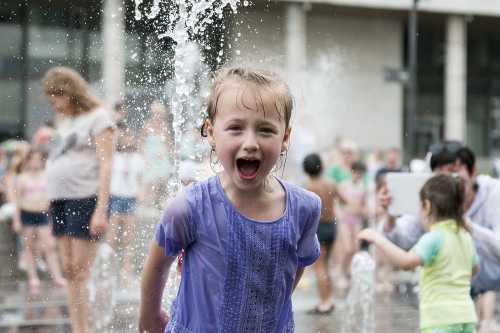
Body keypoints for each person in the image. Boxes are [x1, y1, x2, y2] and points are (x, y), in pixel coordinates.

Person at [139, 67, 321, 333]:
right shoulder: (189, 208)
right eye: (235, 128)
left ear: (285, 137)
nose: (250, 143)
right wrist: (150, 315)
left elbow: (298, 264)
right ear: (211, 133)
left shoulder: (304, 208)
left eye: (266, 130)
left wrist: (268, 308)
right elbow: (156, 267)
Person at [378, 141, 500, 331]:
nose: (448, 181)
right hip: (463, 311)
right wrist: (389, 214)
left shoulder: (494, 193)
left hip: (445, 314)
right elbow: (402, 238)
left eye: (454, 171)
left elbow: (406, 260)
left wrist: (467, 224)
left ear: (473, 169)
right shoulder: (434, 201)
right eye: (440, 174)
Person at [43, 66, 114, 333]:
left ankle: (84, 329)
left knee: (81, 271)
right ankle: (77, 328)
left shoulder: (98, 117)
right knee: (70, 270)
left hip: (85, 198)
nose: (52, 101)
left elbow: (107, 164)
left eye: (56, 95)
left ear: (70, 92)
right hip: (59, 200)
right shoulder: (64, 121)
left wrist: (101, 209)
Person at [360, 174, 479, 333]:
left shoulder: (433, 238)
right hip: (467, 317)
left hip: (440, 319)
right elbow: (474, 269)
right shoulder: (465, 236)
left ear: (427, 206)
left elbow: (406, 262)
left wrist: (378, 238)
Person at [13, 149, 66, 295]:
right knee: (29, 247)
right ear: (28, 161)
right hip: (27, 213)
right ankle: (33, 277)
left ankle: (57, 276)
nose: (35, 162)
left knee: (49, 246)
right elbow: (17, 201)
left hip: (43, 214)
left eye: (38, 159)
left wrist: (52, 217)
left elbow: (52, 198)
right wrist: (17, 220)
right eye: (33, 159)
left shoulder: (46, 176)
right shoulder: (21, 178)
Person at [303, 153, 341, 315]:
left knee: (319, 267)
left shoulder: (307, 187)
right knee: (326, 266)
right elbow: (344, 200)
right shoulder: (331, 184)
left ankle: (324, 303)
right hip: (331, 226)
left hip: (318, 228)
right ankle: (328, 299)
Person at [108, 120, 144, 286]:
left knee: (128, 238)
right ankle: (109, 270)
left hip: (130, 198)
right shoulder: (113, 156)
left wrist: (142, 192)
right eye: (124, 135)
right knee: (112, 237)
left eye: (130, 135)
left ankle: (126, 272)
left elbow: (141, 179)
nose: (127, 138)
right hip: (116, 197)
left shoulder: (137, 158)